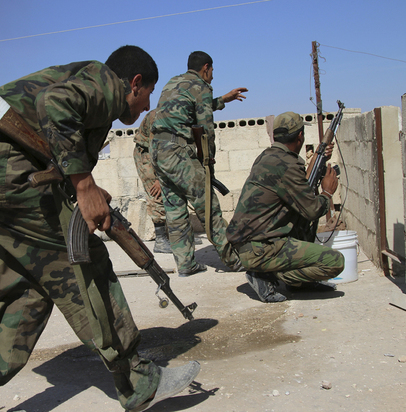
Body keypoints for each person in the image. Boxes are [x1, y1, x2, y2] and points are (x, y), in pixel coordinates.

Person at [0, 46, 200, 412]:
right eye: (147, 94)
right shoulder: (106, 85)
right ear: (134, 83)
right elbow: (56, 104)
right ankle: (138, 380)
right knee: (84, 264)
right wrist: (84, 186)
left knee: (29, 290)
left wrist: (87, 188)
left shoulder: (83, 83)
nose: (146, 106)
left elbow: (52, 145)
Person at [226, 111, 345, 303]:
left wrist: (315, 161)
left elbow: (297, 191)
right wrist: (327, 192)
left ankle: (298, 283)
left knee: (302, 220)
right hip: (261, 249)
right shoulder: (287, 165)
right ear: (300, 136)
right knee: (335, 261)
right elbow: (312, 209)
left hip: (248, 245)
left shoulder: (268, 157)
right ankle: (268, 275)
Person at [150, 51, 248, 277]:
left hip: (158, 151)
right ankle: (234, 260)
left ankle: (185, 264)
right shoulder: (201, 86)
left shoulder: (173, 82)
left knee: (174, 209)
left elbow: (188, 108)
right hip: (177, 152)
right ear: (206, 68)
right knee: (208, 206)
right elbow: (206, 130)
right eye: (212, 71)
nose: (212, 76)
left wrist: (224, 100)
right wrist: (208, 163)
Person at [133, 109, 172, 253]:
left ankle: (176, 235)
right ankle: (161, 241)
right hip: (147, 154)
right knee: (157, 194)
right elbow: (155, 147)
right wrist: (159, 178)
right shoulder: (159, 116)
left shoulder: (180, 112)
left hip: (164, 155)